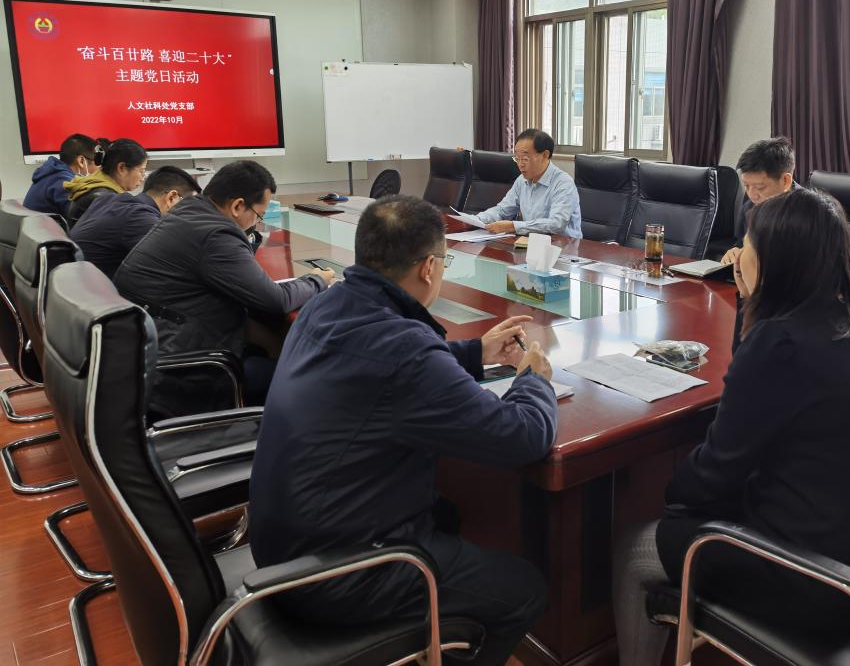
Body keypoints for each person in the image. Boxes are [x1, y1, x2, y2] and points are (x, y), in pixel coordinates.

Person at [248, 195, 557, 666]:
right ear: (430, 268)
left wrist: (475, 352)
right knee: (524, 589)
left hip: (280, 545)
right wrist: (534, 379)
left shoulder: (328, 303)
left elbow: (386, 364)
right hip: (335, 573)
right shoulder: (403, 348)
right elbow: (522, 437)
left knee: (447, 512)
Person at [613, 189, 850, 665]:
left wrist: (667, 495)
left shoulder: (782, 344)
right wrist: (750, 299)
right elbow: (756, 380)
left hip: (818, 581)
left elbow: (712, 475)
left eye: (747, 244)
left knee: (636, 548)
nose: (738, 253)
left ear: (775, 260)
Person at [115, 160, 333, 419]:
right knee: (303, 377)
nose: (257, 223)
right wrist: (317, 280)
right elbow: (276, 300)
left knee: (268, 339)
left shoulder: (189, 211)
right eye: (259, 216)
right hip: (182, 368)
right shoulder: (216, 234)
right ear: (238, 206)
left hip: (148, 348)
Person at [70, 165, 202, 279]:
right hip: (95, 292)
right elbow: (178, 263)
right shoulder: (140, 218)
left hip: (76, 284)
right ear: (172, 197)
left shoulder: (111, 199)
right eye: (190, 207)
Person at [475, 128, 583, 239]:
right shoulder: (521, 180)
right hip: (532, 243)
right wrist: (476, 220)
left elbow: (556, 224)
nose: (520, 164)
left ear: (545, 155)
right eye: (517, 158)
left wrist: (513, 226)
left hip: (563, 246)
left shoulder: (563, 183)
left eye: (525, 159)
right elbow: (502, 211)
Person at [719, 137, 801, 265]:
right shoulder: (749, 207)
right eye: (746, 186)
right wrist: (735, 252)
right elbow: (742, 243)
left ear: (785, 181)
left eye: (759, 187)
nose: (751, 195)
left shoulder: (813, 214)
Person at [64, 138, 148, 226]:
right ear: (122, 168)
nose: (142, 177)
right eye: (141, 171)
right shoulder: (107, 200)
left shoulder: (93, 185)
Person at [22, 133, 100, 217]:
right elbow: (85, 218)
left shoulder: (51, 173)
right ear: (81, 161)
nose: (99, 167)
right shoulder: (66, 183)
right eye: (98, 161)